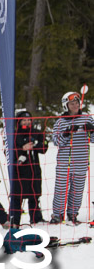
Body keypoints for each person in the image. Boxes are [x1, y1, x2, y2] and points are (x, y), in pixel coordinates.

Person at [50, 91, 94, 224]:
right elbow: (56, 141)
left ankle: (73, 213)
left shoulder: (87, 119)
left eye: (77, 103)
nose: (75, 105)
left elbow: (93, 139)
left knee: (77, 190)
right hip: (65, 163)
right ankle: (57, 215)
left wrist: (92, 130)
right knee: (61, 189)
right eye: (72, 103)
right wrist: (67, 133)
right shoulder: (60, 122)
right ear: (66, 106)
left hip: (81, 162)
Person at [10, 111, 48, 226]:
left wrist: (35, 145)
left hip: (34, 169)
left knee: (35, 195)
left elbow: (44, 147)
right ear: (19, 122)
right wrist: (22, 148)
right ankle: (14, 220)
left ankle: (36, 218)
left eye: (28, 120)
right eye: (24, 120)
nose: (27, 122)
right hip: (19, 170)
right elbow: (8, 152)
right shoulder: (14, 135)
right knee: (17, 197)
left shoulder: (36, 133)